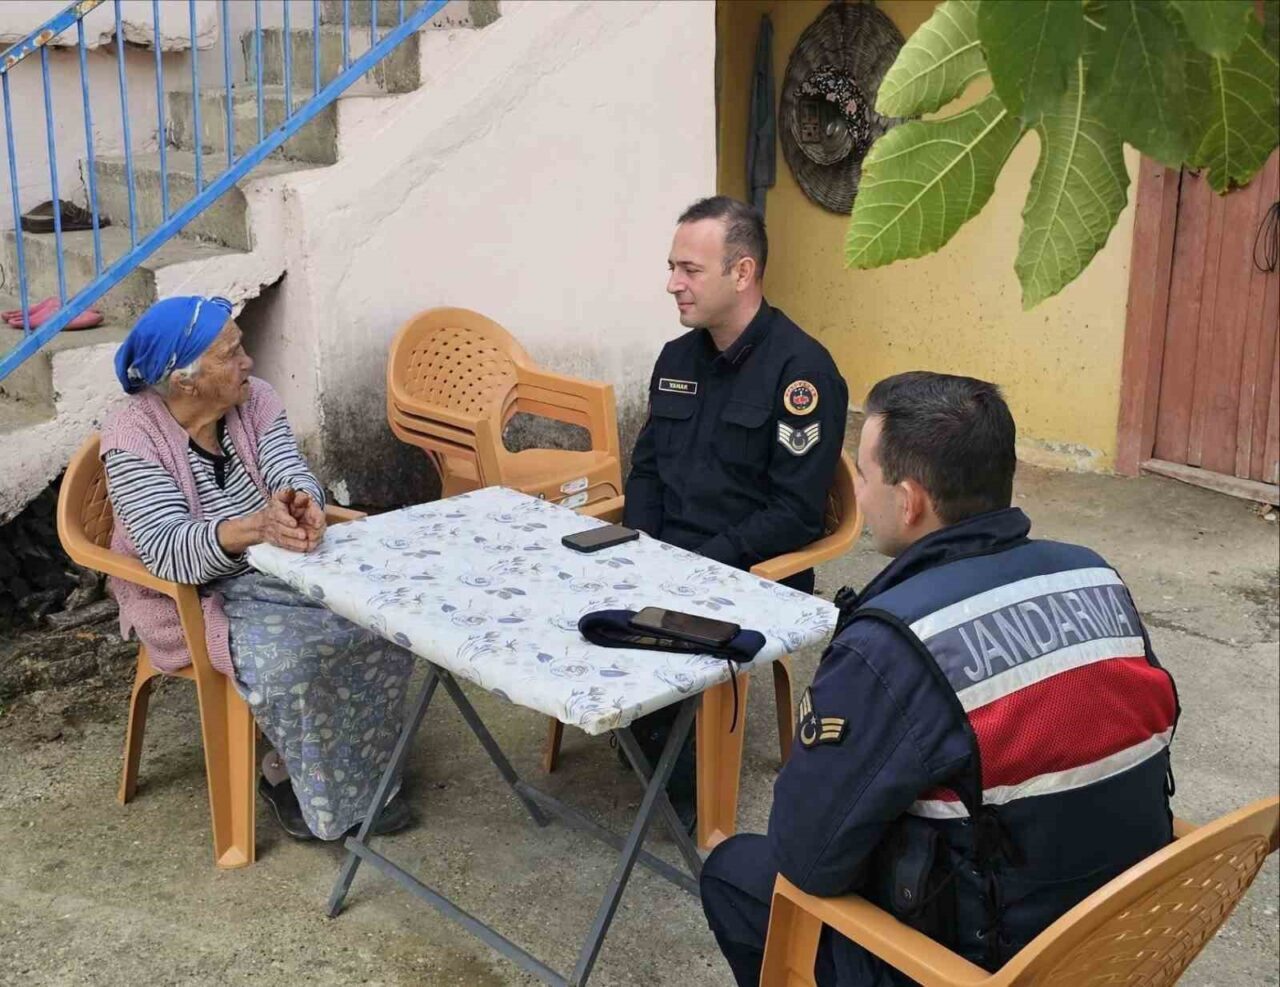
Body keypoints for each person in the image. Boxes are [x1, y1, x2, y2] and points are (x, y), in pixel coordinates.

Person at [700, 371, 1179, 986]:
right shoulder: (1094, 577)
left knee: (737, 869)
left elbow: (806, 857)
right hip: (1124, 935)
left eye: (865, 478)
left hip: (988, 965)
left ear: (908, 501)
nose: (861, 496)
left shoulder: (893, 645)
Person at [100, 295, 417, 842]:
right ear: (185, 382)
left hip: (279, 567)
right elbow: (168, 549)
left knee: (384, 623)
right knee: (291, 661)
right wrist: (256, 528)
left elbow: (287, 467)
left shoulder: (256, 398)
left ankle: (362, 778)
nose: (248, 362)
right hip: (193, 594)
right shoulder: (131, 438)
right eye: (232, 353)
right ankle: (295, 783)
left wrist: (302, 503)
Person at [622, 196, 849, 826]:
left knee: (666, 634)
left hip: (753, 569)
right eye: (672, 267)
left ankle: (680, 768)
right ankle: (643, 735)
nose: (673, 284)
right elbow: (646, 469)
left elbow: (798, 513)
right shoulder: (676, 360)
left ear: (742, 273)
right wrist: (644, 547)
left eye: (689, 270)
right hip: (669, 556)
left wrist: (696, 565)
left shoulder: (801, 374)